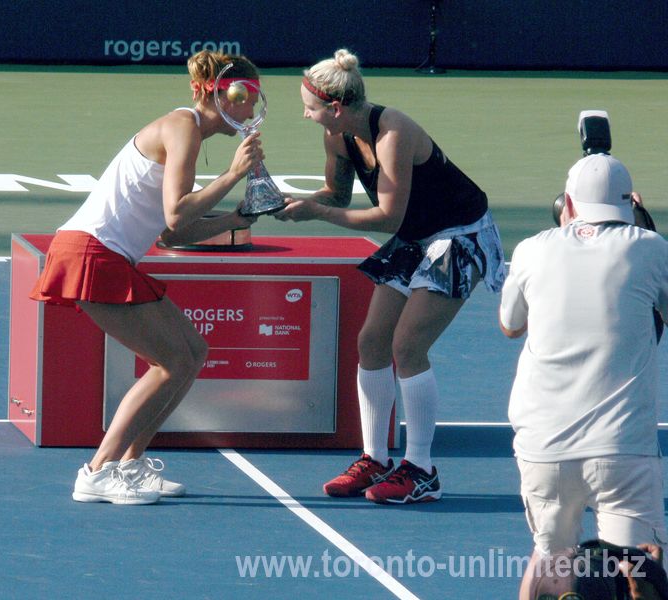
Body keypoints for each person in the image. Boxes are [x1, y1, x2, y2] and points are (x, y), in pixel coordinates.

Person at [30, 50, 263, 504]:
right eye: (245, 96)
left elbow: (174, 231)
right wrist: (234, 174)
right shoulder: (183, 127)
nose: (251, 109)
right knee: (172, 362)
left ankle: (131, 464)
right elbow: (177, 211)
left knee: (192, 353)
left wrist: (237, 217)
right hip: (92, 253)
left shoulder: (190, 134)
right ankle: (97, 471)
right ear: (221, 94)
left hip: (105, 256)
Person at [274, 49, 506, 504]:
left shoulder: (393, 133)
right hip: (417, 235)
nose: (306, 114)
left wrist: (317, 213)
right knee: (372, 343)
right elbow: (338, 194)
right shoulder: (336, 136)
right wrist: (285, 199)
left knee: (408, 346)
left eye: (311, 107)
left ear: (336, 107)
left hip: (458, 235)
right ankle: (374, 459)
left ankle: (421, 470)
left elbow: (386, 218)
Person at [498, 153, 668, 597]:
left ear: (567, 203)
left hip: (544, 448)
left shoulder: (532, 248)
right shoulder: (652, 248)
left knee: (550, 558)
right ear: (629, 204)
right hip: (623, 449)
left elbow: (510, 325)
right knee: (642, 567)